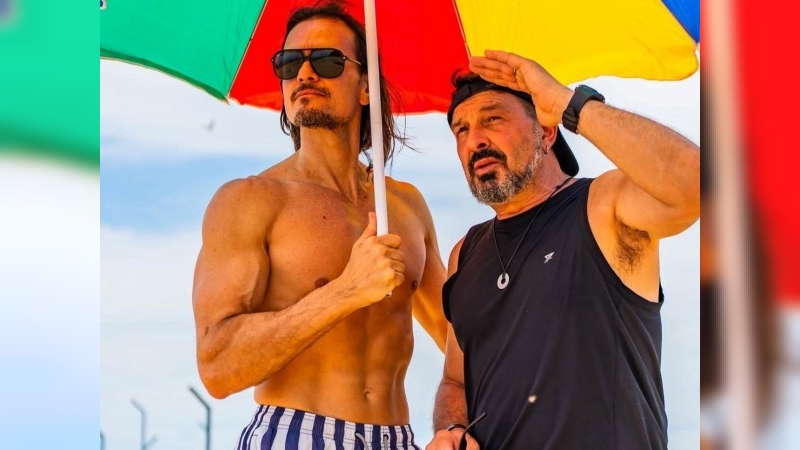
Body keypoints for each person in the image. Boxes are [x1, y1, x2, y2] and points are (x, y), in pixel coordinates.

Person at [191, 3, 448, 449]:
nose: (305, 74)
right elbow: (217, 366)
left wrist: (456, 424)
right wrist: (346, 291)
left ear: (366, 87)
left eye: (327, 61)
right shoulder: (251, 200)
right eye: (289, 63)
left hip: (398, 438)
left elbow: (459, 339)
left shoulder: (406, 205)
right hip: (297, 433)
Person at [425, 50, 700, 450]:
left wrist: (569, 104)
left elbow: (695, 184)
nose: (475, 140)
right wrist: (450, 428)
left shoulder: (602, 207)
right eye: (460, 129)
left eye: (493, 119)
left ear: (546, 131)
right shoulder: (465, 253)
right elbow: (455, 381)